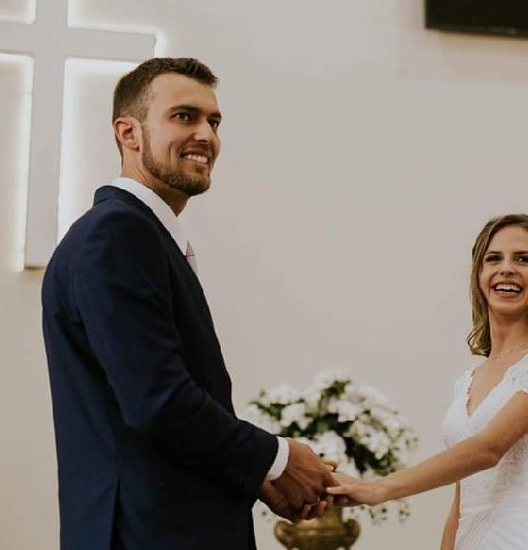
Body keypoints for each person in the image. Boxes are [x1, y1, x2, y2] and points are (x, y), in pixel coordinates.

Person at [41, 57, 335, 550]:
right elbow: (158, 401)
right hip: (147, 534)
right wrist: (277, 459)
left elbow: (149, 412)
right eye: (183, 116)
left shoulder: (139, 234)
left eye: (213, 121)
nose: (206, 135)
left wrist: (253, 477)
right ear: (128, 133)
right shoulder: (118, 233)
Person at [327, 214, 528, 549]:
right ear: (479, 277)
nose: (506, 268)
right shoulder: (467, 381)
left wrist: (378, 489)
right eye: (493, 259)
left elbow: (488, 449)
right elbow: (462, 495)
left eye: (523, 259)